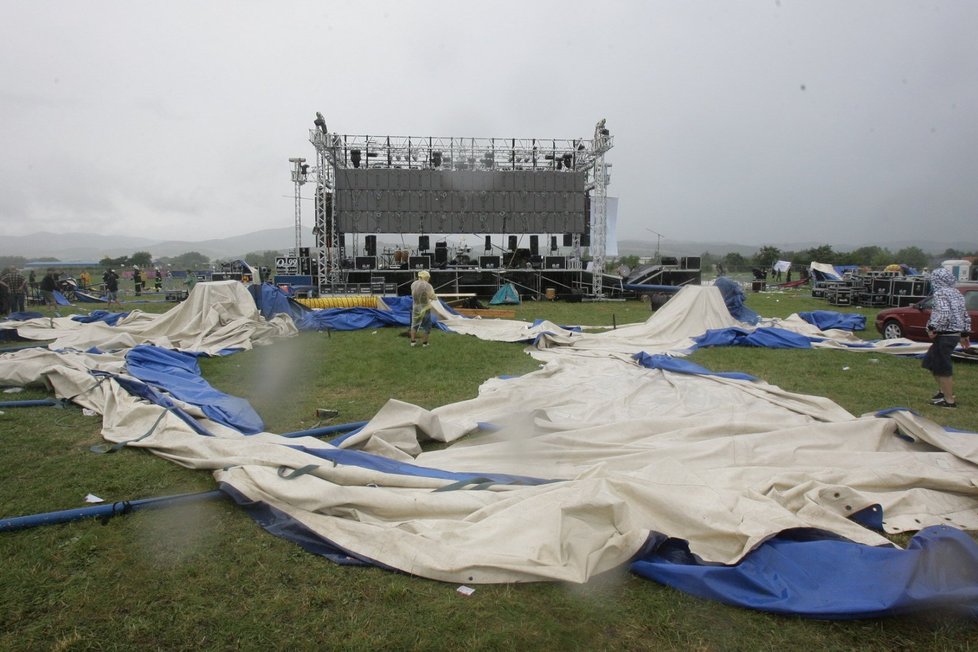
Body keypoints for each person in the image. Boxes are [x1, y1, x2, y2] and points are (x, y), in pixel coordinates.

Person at [922, 267, 972, 408]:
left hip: (945, 335)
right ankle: (942, 391)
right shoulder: (956, 293)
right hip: (953, 334)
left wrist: (932, 327)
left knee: (942, 367)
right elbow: (964, 315)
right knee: (930, 362)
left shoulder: (940, 294)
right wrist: (964, 333)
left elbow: (944, 314)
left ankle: (949, 400)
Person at [409, 270, 437, 347]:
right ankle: (425, 343)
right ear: (426, 277)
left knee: (414, 324)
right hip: (425, 307)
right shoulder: (427, 285)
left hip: (415, 307)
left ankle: (413, 342)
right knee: (427, 325)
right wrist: (435, 297)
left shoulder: (413, 284)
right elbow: (432, 296)